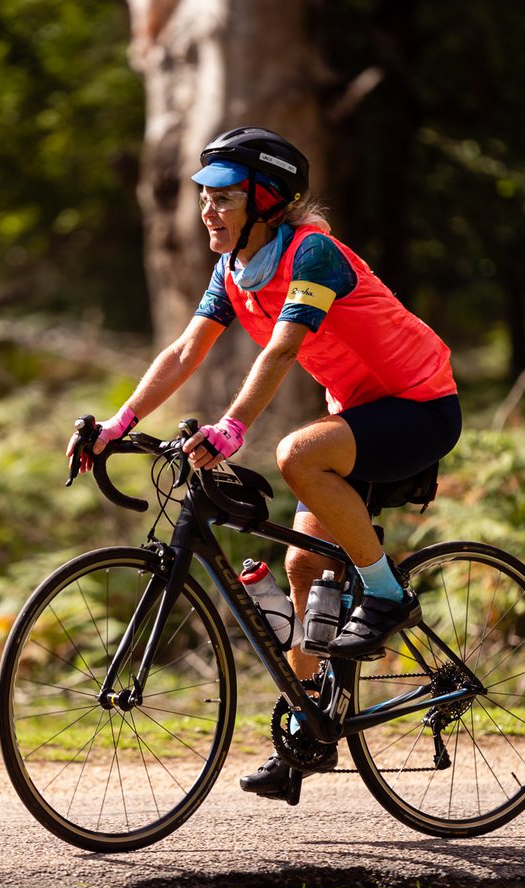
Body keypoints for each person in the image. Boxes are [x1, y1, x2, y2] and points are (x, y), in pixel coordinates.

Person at [66, 126, 460, 802]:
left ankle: (389, 597)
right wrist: (118, 424)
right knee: (305, 563)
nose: (208, 212)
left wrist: (232, 428)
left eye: (223, 198)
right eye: (202, 198)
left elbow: (280, 352)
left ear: (267, 201)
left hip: (420, 405)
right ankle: (311, 730)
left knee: (296, 455)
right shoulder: (232, 270)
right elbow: (187, 350)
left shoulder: (313, 256)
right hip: (360, 415)